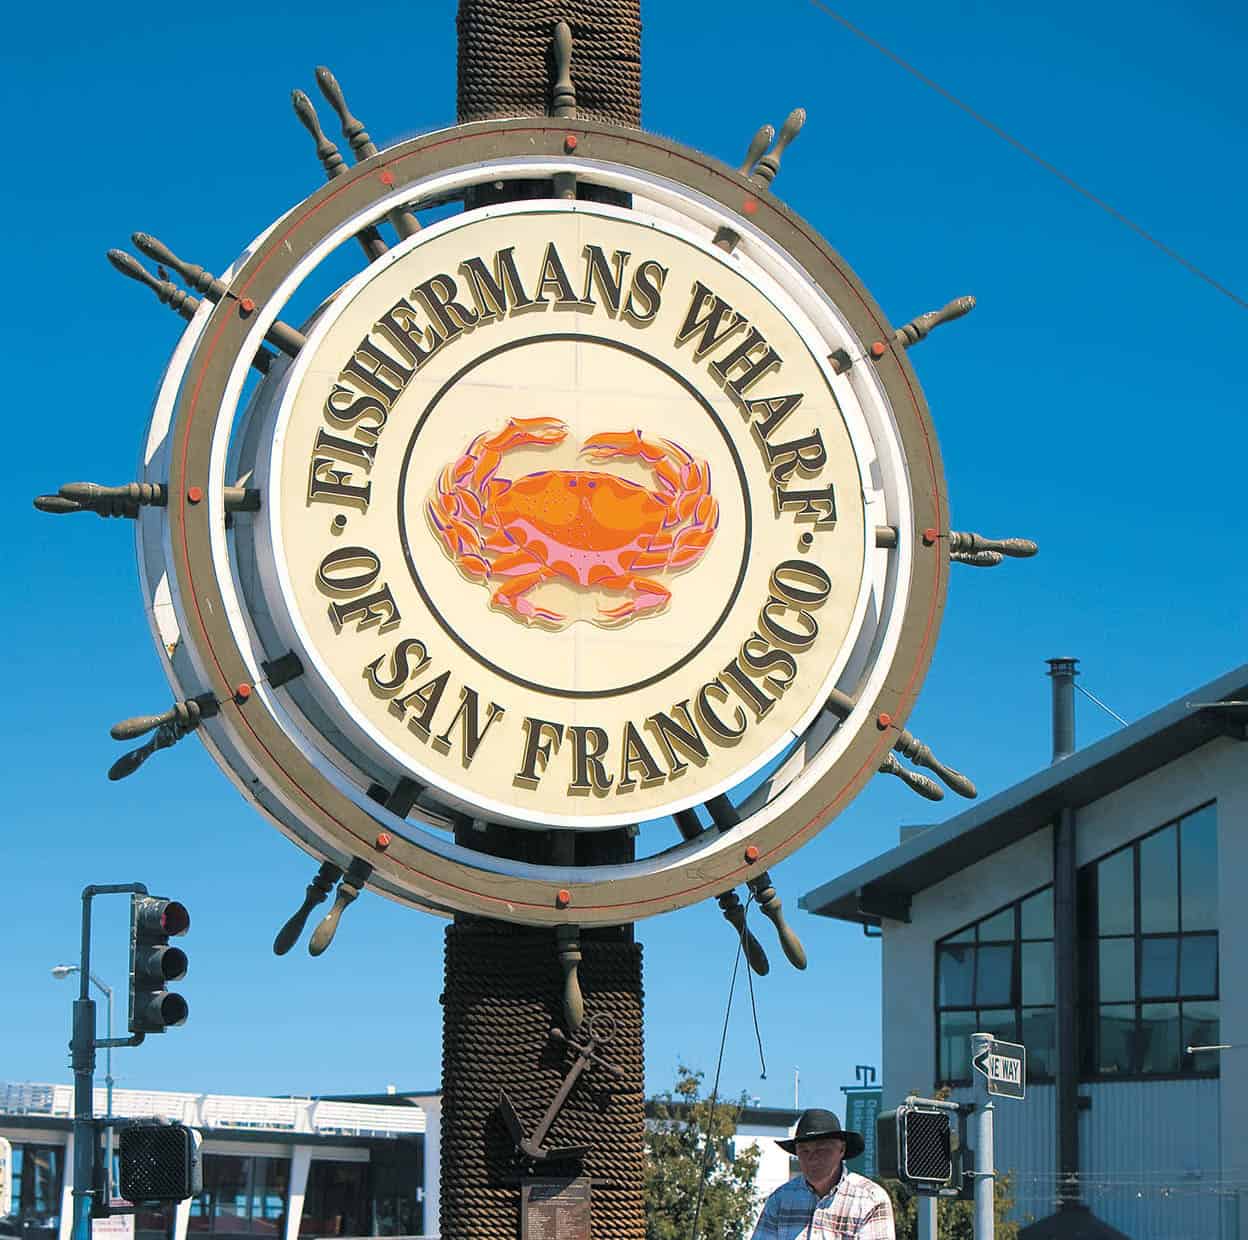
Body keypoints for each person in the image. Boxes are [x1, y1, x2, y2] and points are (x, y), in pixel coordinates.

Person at [751, 1107, 895, 1239]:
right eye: (804, 1151)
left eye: (822, 1150)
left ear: (841, 1150)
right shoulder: (780, 1200)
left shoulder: (870, 1200)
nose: (812, 1158)